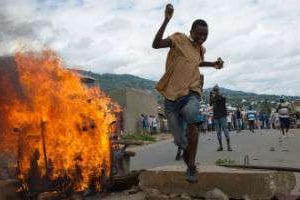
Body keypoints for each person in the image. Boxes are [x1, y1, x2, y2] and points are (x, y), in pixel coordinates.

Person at [152, 3, 224, 183]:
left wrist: (213, 64)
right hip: (171, 96)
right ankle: (186, 151)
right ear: (191, 30)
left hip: (191, 92)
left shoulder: (201, 50)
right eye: (199, 33)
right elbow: (156, 44)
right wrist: (166, 20)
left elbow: (197, 63)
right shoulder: (178, 39)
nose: (202, 37)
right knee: (179, 140)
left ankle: (191, 165)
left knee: (193, 116)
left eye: (205, 35)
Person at [210, 85, 232, 151]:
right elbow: (211, 103)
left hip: (220, 116)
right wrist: (211, 96)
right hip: (218, 116)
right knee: (221, 131)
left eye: (215, 91)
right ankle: (225, 146)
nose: (215, 92)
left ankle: (225, 146)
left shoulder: (220, 97)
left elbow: (221, 99)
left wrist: (213, 95)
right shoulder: (217, 97)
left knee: (223, 131)